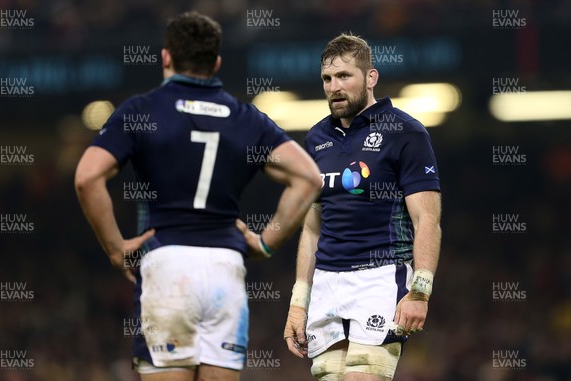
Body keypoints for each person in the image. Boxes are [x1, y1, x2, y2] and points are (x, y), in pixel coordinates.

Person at [75, 11, 321, 381]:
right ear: (216, 63)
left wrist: (114, 247)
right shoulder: (245, 118)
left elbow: (87, 177)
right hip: (225, 267)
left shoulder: (143, 110)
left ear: (166, 58)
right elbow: (309, 178)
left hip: (167, 264)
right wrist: (267, 243)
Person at [283, 33, 442, 381]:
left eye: (344, 76)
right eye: (327, 78)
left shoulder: (405, 131)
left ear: (371, 77)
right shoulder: (315, 140)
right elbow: (312, 228)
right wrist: (299, 301)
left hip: (381, 278)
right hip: (326, 283)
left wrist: (421, 290)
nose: (334, 87)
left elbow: (427, 219)